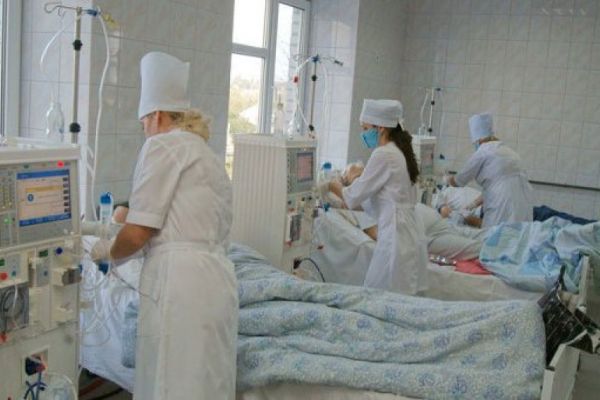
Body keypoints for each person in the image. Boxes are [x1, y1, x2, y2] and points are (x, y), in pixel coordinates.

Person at [90, 52, 237, 400]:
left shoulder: (163, 145)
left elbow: (138, 232)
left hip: (180, 287)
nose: (144, 130)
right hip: (216, 282)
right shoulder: (205, 154)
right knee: (206, 384)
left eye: (143, 122)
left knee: (172, 384)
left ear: (156, 116)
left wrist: (107, 253)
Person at [328, 99, 428, 295]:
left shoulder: (383, 154)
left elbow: (352, 197)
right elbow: (380, 199)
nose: (363, 134)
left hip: (396, 236)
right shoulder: (398, 151)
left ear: (380, 127)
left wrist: (331, 184)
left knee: (381, 293)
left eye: (365, 128)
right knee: (395, 294)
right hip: (406, 232)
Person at [446, 112, 534, 228]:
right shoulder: (510, 152)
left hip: (502, 206)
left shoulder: (483, 152)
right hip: (524, 206)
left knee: (494, 231)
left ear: (478, 140)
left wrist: (446, 178)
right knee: (515, 232)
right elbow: (500, 185)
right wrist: (472, 205)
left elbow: (458, 181)